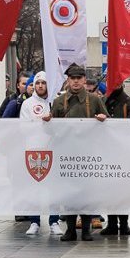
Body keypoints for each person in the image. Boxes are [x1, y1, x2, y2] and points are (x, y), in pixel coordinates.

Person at [48, 63, 107, 241]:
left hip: (87, 153)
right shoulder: (59, 101)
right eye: (72, 78)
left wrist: (104, 119)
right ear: (68, 80)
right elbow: (51, 131)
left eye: (79, 78)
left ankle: (87, 229)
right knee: (69, 193)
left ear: (83, 80)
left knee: (86, 193)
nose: (75, 82)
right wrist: (47, 121)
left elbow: (107, 125)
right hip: (66, 153)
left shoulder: (94, 100)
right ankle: (71, 229)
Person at [19, 73, 58, 236]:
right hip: (34, 151)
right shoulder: (27, 104)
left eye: (44, 83)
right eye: (38, 83)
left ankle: (54, 221)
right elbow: (23, 127)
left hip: (53, 151)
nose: (41, 86)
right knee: (33, 188)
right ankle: (34, 221)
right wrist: (42, 122)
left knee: (53, 189)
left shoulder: (55, 102)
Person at [101, 78, 130, 236]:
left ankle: (124, 223)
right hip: (106, 152)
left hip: (124, 152)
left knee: (124, 190)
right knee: (109, 189)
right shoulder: (101, 102)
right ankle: (111, 223)